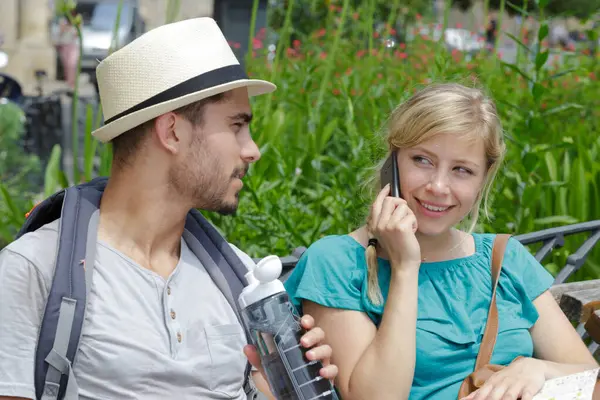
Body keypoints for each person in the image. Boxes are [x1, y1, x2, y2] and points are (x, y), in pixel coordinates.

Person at [0, 18, 337, 400]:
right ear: (172, 131)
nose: (252, 149)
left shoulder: (236, 275)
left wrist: (288, 386)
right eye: (237, 125)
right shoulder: (36, 268)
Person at [283, 83, 598, 400]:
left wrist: (538, 369)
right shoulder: (338, 262)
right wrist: (406, 266)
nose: (438, 186)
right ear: (394, 160)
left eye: (462, 170)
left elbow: (591, 381)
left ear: (483, 178)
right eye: (422, 160)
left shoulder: (504, 260)